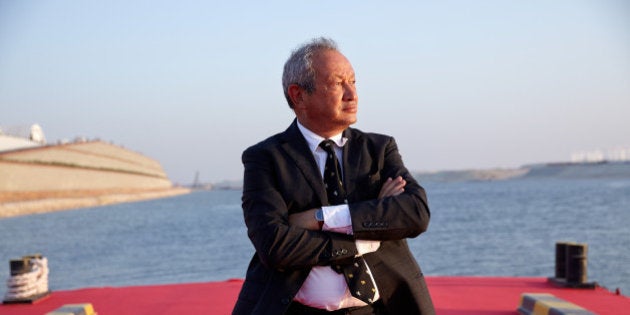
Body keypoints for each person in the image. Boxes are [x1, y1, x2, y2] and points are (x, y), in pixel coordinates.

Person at [232, 37, 434, 315]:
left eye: (354, 82)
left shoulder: (379, 149)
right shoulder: (265, 158)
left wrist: (320, 219)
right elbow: (275, 246)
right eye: (339, 83)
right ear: (298, 95)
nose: (352, 94)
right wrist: (368, 236)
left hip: (382, 308)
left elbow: (415, 214)